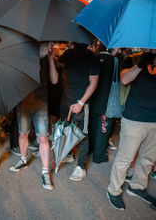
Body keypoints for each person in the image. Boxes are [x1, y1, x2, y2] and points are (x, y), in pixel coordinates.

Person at [107, 50, 156, 211]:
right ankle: (113, 190)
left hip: (154, 120)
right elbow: (124, 79)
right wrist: (141, 65)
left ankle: (136, 187)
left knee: (148, 158)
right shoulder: (134, 59)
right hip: (134, 118)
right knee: (125, 158)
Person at [49, 42, 99, 182]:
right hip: (66, 99)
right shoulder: (68, 54)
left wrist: (81, 102)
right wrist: (51, 57)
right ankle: (69, 153)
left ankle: (81, 167)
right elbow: (59, 66)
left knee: (83, 134)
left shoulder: (92, 58)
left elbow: (93, 83)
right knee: (65, 128)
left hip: (82, 102)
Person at [9, 46, 55, 190]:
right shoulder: (22, 54)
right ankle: (23, 159)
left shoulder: (46, 56)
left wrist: (51, 58)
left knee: (43, 138)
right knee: (23, 134)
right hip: (24, 102)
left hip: (41, 104)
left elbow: (54, 80)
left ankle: (45, 172)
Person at [89, 43, 117, 163]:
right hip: (107, 102)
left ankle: (89, 149)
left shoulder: (92, 58)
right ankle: (98, 156)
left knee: (92, 126)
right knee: (103, 129)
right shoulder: (114, 61)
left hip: (92, 99)